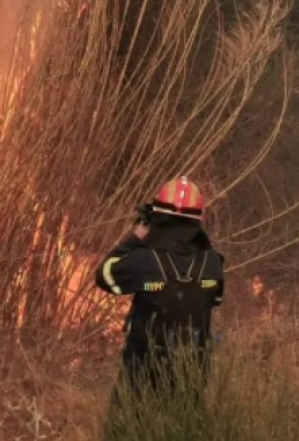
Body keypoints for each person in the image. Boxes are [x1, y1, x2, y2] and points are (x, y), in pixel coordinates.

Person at [94, 176, 225, 420]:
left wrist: (136, 237)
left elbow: (104, 276)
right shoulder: (213, 262)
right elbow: (215, 301)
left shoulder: (144, 259)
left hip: (141, 378)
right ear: (199, 220)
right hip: (192, 377)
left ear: (158, 217)